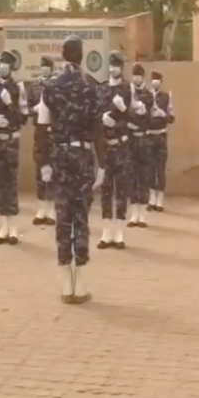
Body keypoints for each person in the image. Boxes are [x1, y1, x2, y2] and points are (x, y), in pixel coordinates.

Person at [37, 35, 102, 304]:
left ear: (63, 55)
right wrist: (102, 164)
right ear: (81, 55)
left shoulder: (50, 87)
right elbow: (98, 129)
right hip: (83, 156)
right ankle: (81, 284)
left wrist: (43, 162)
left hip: (60, 156)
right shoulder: (91, 86)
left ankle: (66, 285)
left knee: (63, 217)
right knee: (81, 218)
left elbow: (42, 127)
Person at [0, 50, 29, 245]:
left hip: (11, 141)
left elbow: (23, 118)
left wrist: (10, 105)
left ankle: (14, 228)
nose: (2, 66)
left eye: (6, 64)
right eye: (1, 63)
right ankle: (3, 226)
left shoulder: (18, 87)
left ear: (11, 67)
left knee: (11, 184)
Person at [96, 52, 132, 249]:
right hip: (106, 146)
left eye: (117, 65)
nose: (113, 68)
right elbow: (94, 115)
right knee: (106, 189)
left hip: (121, 146)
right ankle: (106, 231)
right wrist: (101, 120)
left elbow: (136, 120)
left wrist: (123, 111)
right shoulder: (102, 89)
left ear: (122, 68)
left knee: (121, 189)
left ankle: (118, 232)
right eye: (111, 65)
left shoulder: (127, 88)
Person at [28, 55, 56, 226]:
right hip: (39, 131)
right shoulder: (34, 86)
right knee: (40, 168)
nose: (44, 69)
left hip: (53, 132)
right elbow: (27, 108)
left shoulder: (56, 86)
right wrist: (35, 109)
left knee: (53, 170)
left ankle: (52, 210)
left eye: (47, 66)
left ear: (51, 69)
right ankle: (41, 209)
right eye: (42, 66)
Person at [126, 63, 154, 228]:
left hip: (143, 139)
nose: (135, 78)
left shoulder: (148, 95)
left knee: (143, 177)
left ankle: (142, 215)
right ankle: (133, 214)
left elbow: (152, 119)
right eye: (133, 75)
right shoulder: (127, 93)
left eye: (138, 75)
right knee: (131, 176)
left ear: (142, 77)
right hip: (130, 140)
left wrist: (144, 114)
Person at [146, 71, 175, 212]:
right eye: (153, 79)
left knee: (160, 168)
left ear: (161, 82)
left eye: (158, 79)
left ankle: (160, 200)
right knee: (150, 169)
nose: (155, 82)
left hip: (161, 136)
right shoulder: (146, 96)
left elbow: (172, 118)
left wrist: (162, 114)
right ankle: (151, 199)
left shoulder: (166, 97)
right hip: (149, 136)